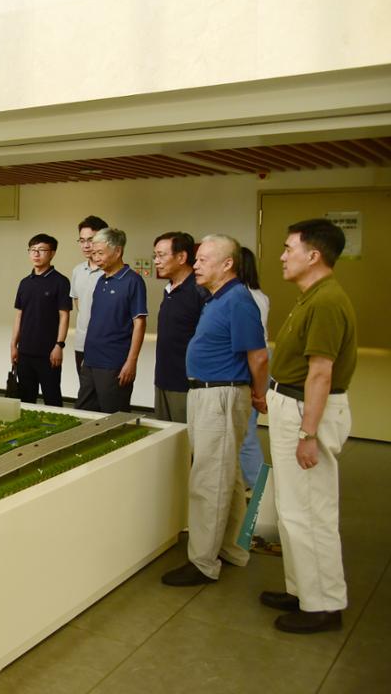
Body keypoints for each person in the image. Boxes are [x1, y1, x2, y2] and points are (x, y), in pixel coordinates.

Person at [261, 219, 356, 634]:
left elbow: (321, 373)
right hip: (294, 406)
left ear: (313, 255)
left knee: (311, 512)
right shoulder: (311, 296)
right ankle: (303, 590)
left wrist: (308, 434)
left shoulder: (326, 301)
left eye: (289, 249)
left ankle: (324, 605)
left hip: (307, 412)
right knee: (292, 509)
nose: (282, 256)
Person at [161, 234, 267, 588]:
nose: (196, 265)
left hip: (220, 395)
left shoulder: (238, 300)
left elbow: (258, 356)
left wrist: (259, 395)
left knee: (209, 479)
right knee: (228, 475)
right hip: (209, 393)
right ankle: (230, 548)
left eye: (203, 259)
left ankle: (203, 562)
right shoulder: (217, 297)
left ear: (227, 264)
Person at [75, 227, 146, 413]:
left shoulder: (133, 281)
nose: (96, 258)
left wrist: (131, 362)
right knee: (83, 412)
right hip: (91, 360)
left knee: (113, 416)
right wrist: (86, 357)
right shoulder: (101, 280)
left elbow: (139, 323)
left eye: (100, 253)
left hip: (114, 363)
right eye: (94, 253)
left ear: (118, 251)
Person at [11, 233, 71, 406]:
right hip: (25, 352)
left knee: (52, 399)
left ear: (52, 253)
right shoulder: (25, 283)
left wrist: (59, 345)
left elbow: (64, 316)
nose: (36, 254)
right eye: (33, 250)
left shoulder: (61, 282)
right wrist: (13, 345)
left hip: (49, 353)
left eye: (42, 250)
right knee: (25, 400)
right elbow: (19, 315)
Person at [152, 231, 205, 422]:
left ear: (181, 257)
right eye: (155, 255)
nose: (156, 261)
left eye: (161, 255)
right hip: (163, 378)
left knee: (185, 437)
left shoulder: (199, 290)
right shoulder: (169, 289)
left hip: (186, 383)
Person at [237, 246, 271, 487]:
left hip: (250, 360)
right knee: (246, 430)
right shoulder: (260, 295)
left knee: (246, 433)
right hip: (258, 358)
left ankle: (260, 491)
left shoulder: (243, 297)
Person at [70, 215, 108, 372]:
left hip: (107, 346)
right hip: (82, 343)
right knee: (84, 386)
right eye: (82, 240)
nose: (86, 245)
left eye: (91, 240)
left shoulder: (111, 272)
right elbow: (78, 302)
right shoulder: (77, 271)